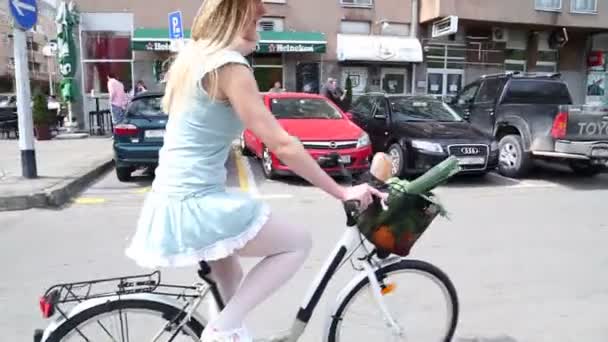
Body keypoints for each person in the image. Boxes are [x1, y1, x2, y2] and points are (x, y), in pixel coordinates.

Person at [124, 1, 385, 341]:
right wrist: (342, 191)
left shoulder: (194, 59)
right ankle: (219, 330)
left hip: (173, 200)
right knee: (296, 244)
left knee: (231, 282)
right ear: (237, 16)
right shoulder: (230, 67)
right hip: (196, 204)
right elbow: (282, 145)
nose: (261, 23)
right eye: (257, 15)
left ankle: (227, 330)